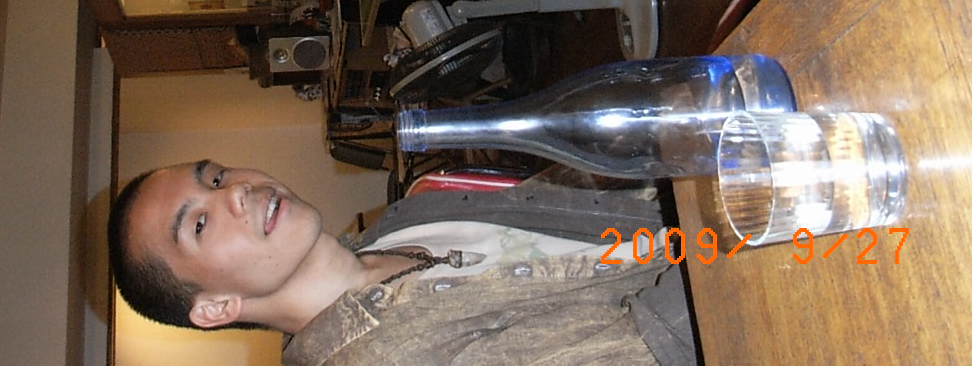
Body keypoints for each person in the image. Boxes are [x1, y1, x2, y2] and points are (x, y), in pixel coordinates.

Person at [108, 160, 697, 365]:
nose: (235, 190)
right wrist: (719, 226)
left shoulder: (400, 222)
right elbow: (654, 347)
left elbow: (566, 216)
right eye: (199, 224)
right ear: (214, 307)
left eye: (214, 177)